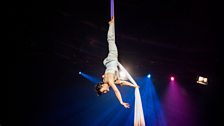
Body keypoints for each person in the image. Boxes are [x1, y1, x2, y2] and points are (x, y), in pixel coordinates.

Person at [95, 17, 139, 108]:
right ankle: (111, 25)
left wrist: (121, 102)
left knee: (111, 40)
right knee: (111, 41)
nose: (106, 92)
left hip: (112, 58)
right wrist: (134, 86)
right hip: (108, 62)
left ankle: (111, 24)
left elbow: (116, 91)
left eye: (103, 91)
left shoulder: (109, 81)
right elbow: (122, 82)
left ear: (102, 86)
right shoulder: (108, 81)